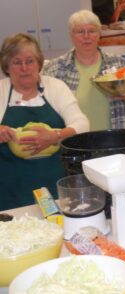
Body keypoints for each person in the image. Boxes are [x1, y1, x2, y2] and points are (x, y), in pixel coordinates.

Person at [0, 33, 89, 210]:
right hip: (9, 190)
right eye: (17, 62)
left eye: (30, 61)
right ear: (7, 67)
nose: (24, 68)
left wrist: (56, 135)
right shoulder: (1, 90)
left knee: (53, 227)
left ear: (39, 63)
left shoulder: (55, 87)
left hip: (53, 185)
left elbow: (82, 124)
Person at [42, 10, 125, 131]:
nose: (86, 36)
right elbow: (43, 108)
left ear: (99, 34)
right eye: (80, 31)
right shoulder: (55, 69)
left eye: (91, 31)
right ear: (71, 35)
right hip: (74, 144)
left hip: (115, 141)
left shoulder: (119, 63)